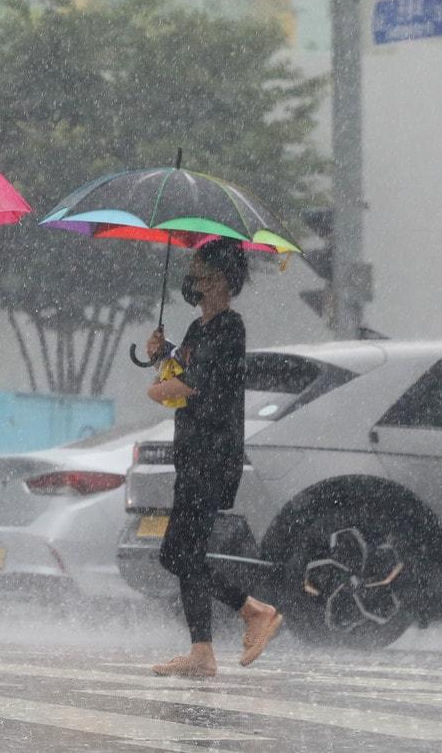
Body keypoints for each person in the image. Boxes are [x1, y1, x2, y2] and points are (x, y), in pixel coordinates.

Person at [144, 238, 282, 677]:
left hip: (213, 453)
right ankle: (202, 652)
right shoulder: (196, 329)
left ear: (223, 280)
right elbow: (180, 372)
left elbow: (194, 384)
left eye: (203, 273)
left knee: (177, 554)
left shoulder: (229, 328)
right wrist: (160, 356)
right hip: (192, 451)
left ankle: (254, 611)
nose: (195, 281)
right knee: (185, 552)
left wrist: (160, 389)